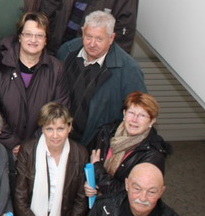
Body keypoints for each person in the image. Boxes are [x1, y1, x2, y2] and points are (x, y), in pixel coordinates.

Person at [56, 11, 147, 147]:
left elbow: (139, 113)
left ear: (111, 38)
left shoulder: (129, 70)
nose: (92, 44)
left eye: (99, 39)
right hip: (60, 137)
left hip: (95, 145)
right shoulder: (66, 51)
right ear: (82, 32)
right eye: (88, 36)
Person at [0, 12, 69, 153]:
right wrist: (12, 143)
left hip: (39, 148)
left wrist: (30, 146)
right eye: (28, 34)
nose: (33, 40)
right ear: (20, 37)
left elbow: (58, 112)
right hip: (0, 146)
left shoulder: (57, 70)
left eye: (39, 35)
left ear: (46, 40)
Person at [85, 92, 170, 201]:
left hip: (119, 213)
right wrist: (88, 182)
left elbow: (129, 194)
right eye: (131, 113)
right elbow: (85, 161)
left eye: (142, 115)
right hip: (95, 204)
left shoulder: (153, 155)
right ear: (124, 114)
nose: (134, 119)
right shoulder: (106, 133)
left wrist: (97, 170)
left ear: (152, 121)